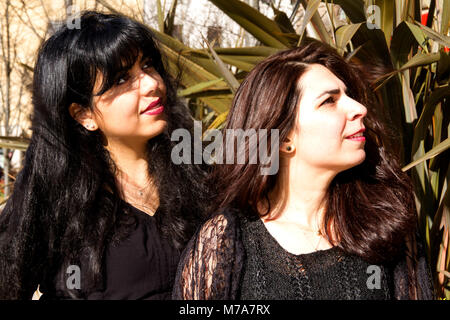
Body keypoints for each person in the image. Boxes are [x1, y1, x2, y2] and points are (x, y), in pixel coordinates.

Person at [172, 40, 434, 300]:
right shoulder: (226, 242)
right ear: (284, 139)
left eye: (348, 95)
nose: (359, 108)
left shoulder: (384, 224)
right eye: (329, 101)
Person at [0, 11, 209, 300]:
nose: (150, 84)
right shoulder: (54, 203)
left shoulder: (201, 176)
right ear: (84, 114)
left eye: (147, 65)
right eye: (122, 79)